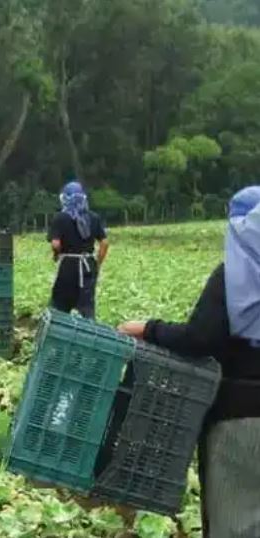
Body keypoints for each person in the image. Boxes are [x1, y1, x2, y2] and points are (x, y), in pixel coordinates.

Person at [118, 186, 260, 538]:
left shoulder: (231, 277)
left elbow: (200, 339)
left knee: (235, 523)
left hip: (238, 422)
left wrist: (149, 328)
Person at [47, 181, 109, 319]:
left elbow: (56, 244)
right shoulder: (93, 217)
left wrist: (56, 255)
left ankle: (58, 331)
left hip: (68, 266)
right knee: (87, 307)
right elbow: (104, 243)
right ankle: (89, 335)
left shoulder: (61, 218)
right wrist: (97, 263)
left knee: (60, 305)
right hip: (88, 265)